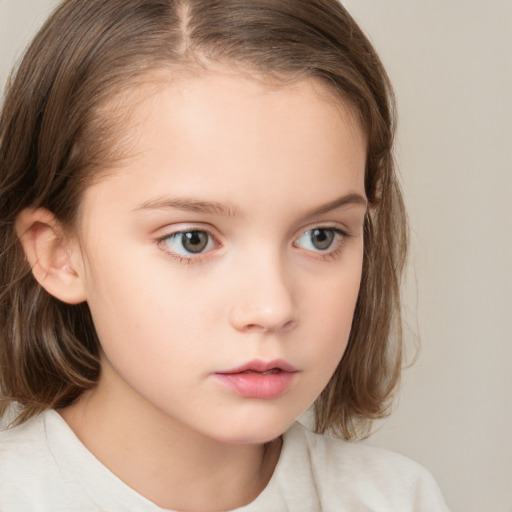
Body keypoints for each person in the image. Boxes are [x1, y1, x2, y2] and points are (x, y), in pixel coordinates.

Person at [0, 1, 450, 510]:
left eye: (321, 236)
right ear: (60, 254)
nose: (272, 307)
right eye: (192, 239)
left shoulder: (396, 498)